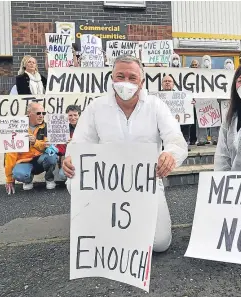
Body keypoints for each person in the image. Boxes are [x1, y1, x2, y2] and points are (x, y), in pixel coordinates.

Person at [62, 55, 188, 252]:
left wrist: (170, 155)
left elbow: (176, 140)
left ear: (142, 82)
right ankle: (100, 219)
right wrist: (70, 158)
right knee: (74, 177)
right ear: (112, 78)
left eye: (132, 78)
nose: (126, 83)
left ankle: (123, 227)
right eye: (120, 76)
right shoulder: (96, 107)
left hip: (145, 182)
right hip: (107, 185)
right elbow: (80, 142)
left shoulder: (156, 106)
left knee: (159, 243)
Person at [5, 102, 58, 194]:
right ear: (29, 113)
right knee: (18, 173)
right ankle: (27, 180)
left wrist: (35, 143)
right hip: (24, 161)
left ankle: (49, 178)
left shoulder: (46, 127)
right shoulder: (17, 127)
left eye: (43, 113)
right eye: (38, 113)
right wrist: (9, 180)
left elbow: (48, 147)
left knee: (52, 157)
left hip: (40, 160)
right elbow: (10, 154)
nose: (41, 116)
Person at [197, 55, 219, 146]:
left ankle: (216, 138)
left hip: (213, 98)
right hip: (201, 98)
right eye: (205, 60)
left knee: (215, 118)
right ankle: (202, 139)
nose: (206, 62)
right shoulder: (197, 73)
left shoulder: (215, 73)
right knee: (201, 118)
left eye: (208, 60)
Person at [56, 105, 81, 181]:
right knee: (62, 175)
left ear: (79, 115)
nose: (73, 118)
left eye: (75, 115)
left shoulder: (86, 127)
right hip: (69, 158)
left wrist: (76, 142)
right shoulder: (63, 129)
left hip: (82, 156)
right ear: (67, 116)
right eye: (70, 115)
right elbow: (60, 151)